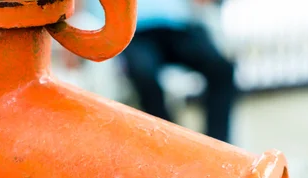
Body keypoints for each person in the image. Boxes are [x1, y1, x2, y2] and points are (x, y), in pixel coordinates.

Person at [88, 0, 237, 143]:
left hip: (179, 24)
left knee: (222, 68)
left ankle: (217, 145)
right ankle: (172, 142)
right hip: (132, 33)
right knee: (144, 74)